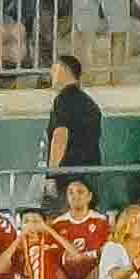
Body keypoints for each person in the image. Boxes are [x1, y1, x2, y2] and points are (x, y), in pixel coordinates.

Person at [46, 56, 104, 196]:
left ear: (64, 70)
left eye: (54, 70)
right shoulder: (91, 104)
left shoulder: (63, 100)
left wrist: (51, 174)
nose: (51, 74)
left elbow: (60, 135)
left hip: (68, 177)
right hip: (91, 176)